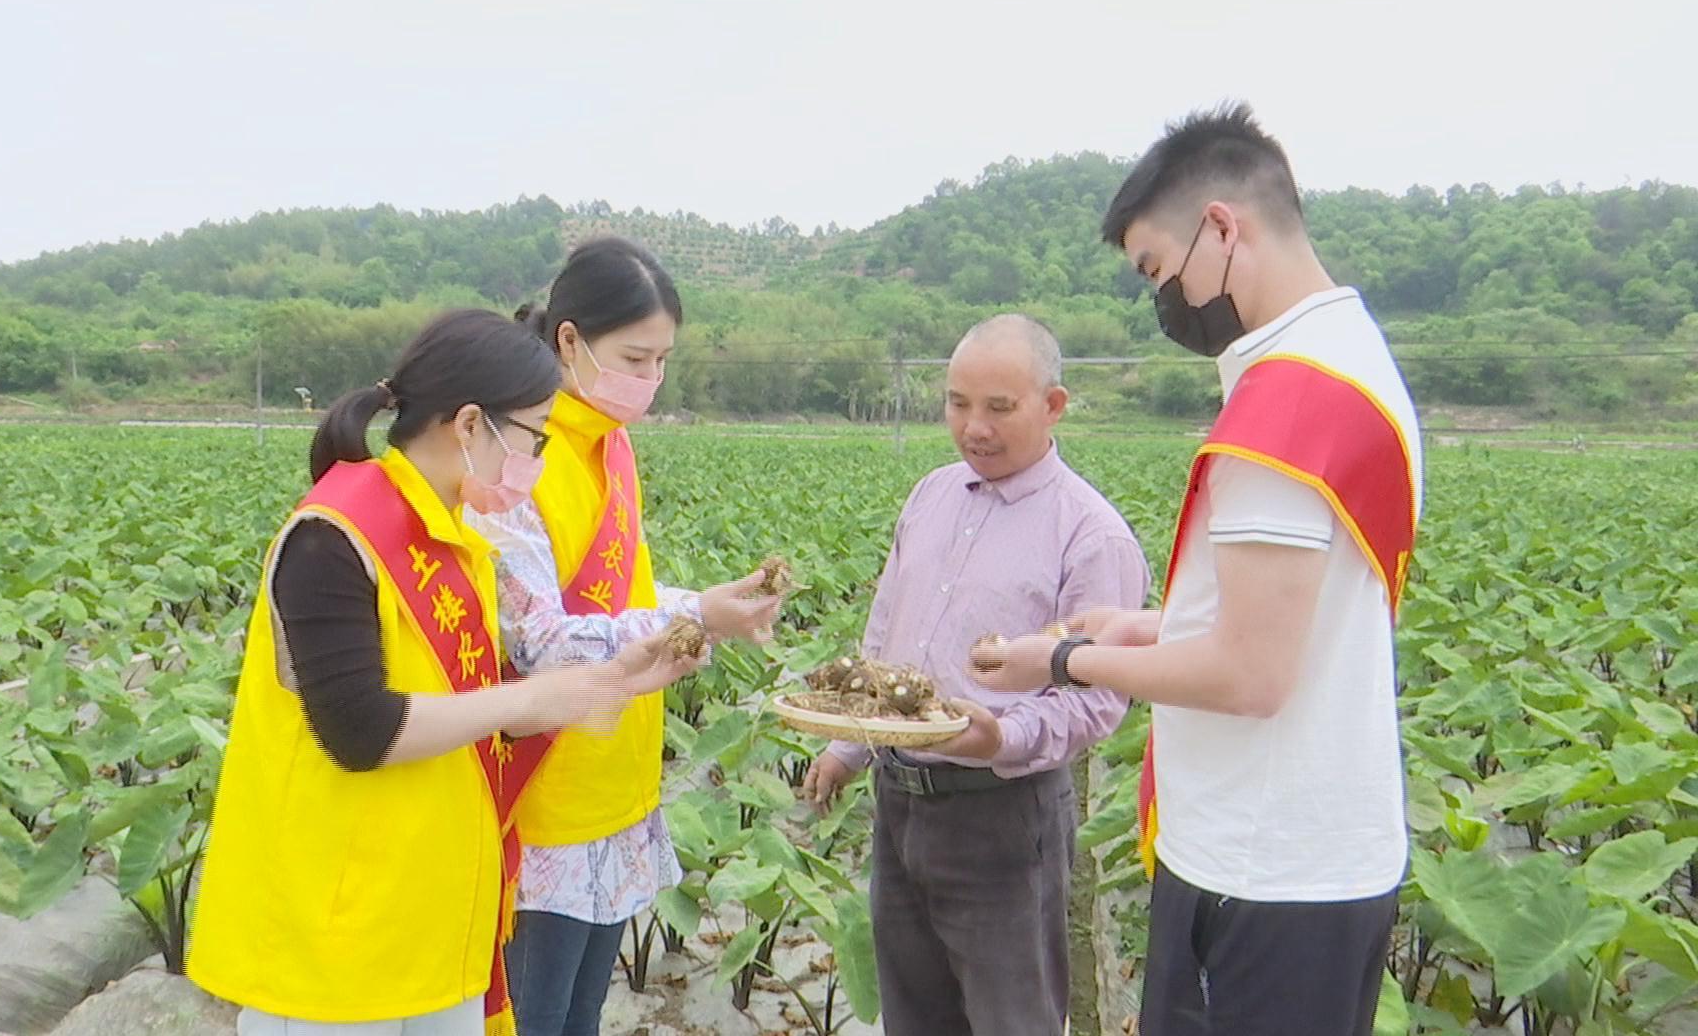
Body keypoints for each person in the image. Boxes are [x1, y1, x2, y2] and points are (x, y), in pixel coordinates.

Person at [972, 104, 1424, 1036]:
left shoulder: (1288, 406)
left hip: (1262, 872)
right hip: (1319, 854)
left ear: (1222, 227)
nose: (1162, 300)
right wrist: (1138, 628)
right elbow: (1297, 623)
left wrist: (1059, 663)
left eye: (1156, 270)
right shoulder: (1354, 358)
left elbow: (1249, 675)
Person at [188, 309, 705, 1036]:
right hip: (338, 939)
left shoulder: (458, 534)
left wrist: (616, 678)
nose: (534, 458)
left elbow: (483, 702)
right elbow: (362, 730)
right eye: (531, 435)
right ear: (469, 425)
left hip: (437, 920)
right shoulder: (332, 537)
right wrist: (532, 696)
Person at [466, 237, 782, 1036]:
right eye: (635, 358)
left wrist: (705, 605)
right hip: (546, 790)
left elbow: (626, 597)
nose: (650, 380)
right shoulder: (517, 456)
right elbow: (541, 641)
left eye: (662, 360)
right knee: (530, 1018)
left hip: (618, 772)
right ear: (569, 342)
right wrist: (691, 618)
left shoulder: (611, 443)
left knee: (579, 1017)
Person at [802, 314, 1149, 1036]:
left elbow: (1097, 703)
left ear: (1053, 407)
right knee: (914, 1015)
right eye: (958, 403)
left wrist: (999, 735)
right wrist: (849, 746)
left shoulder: (1090, 535)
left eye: (999, 408)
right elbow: (886, 636)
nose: (973, 427)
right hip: (899, 800)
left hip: (1001, 814)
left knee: (1010, 1019)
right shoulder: (931, 495)